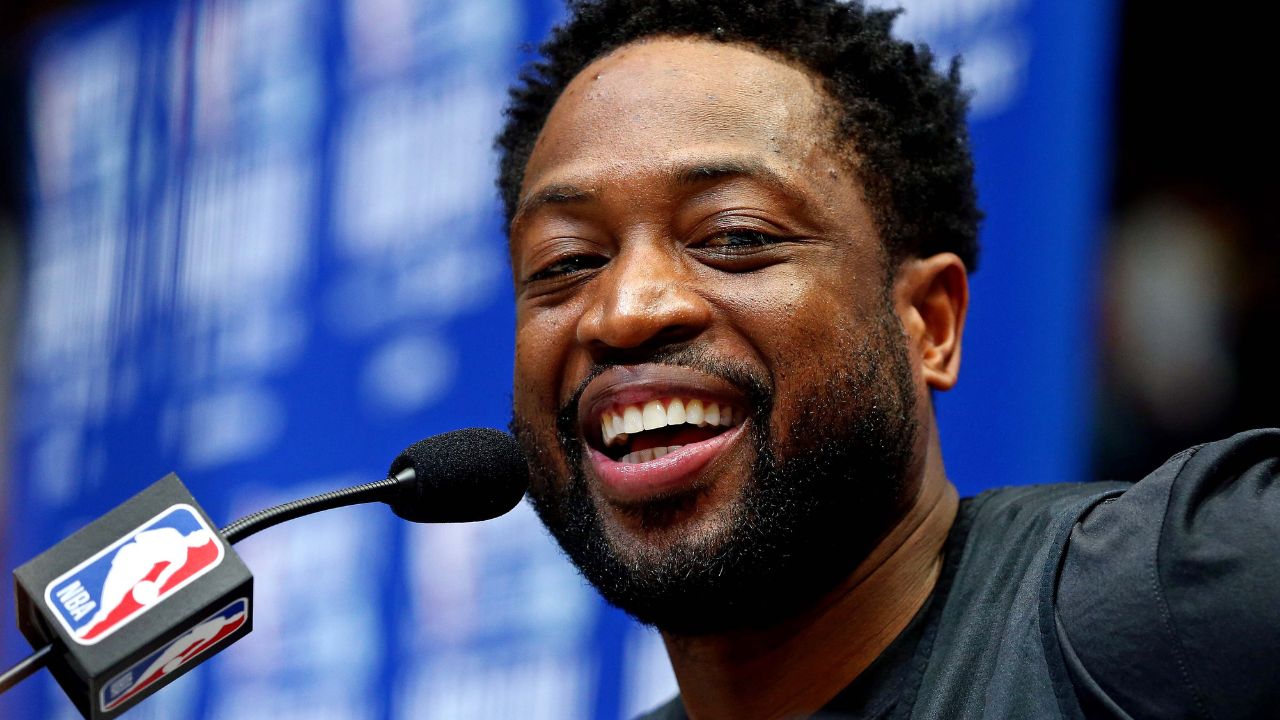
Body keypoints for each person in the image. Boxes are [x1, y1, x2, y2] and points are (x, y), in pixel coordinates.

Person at [497, 1, 1280, 718]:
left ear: (929, 322)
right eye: (565, 261)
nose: (627, 309)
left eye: (734, 235)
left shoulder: (1166, 593)